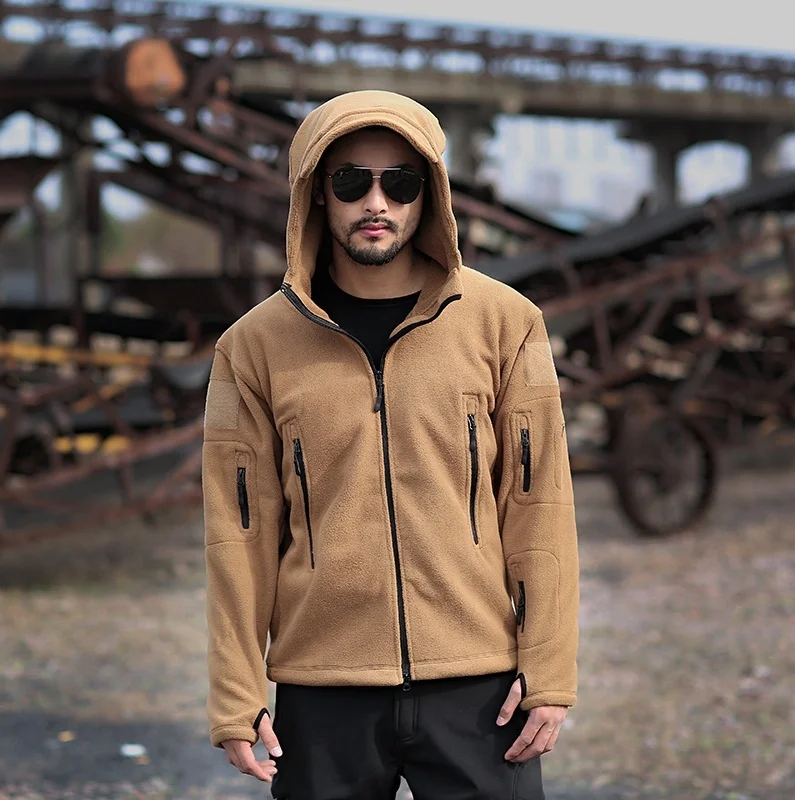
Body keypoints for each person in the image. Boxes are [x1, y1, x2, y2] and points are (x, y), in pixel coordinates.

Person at [202, 89, 580, 800]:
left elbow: (539, 506)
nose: (376, 203)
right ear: (316, 194)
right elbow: (238, 533)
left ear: (429, 194)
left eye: (400, 182)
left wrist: (550, 670)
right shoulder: (252, 347)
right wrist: (236, 692)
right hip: (322, 689)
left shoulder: (506, 323)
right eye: (351, 181)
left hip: (479, 687)